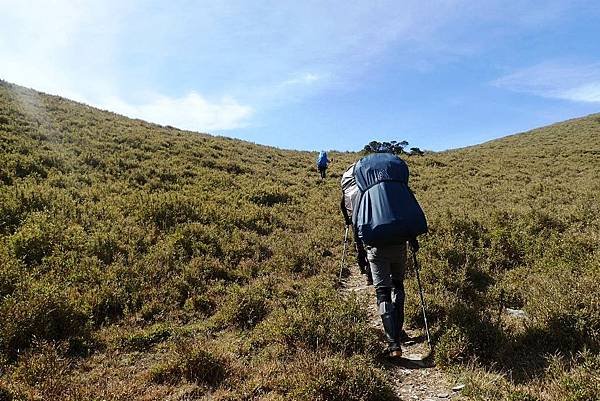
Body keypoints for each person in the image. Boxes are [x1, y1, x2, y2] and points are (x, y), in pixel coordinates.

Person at [347, 153, 427, 358]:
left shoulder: (363, 190)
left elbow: (356, 221)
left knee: (382, 292)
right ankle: (399, 331)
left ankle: (393, 344)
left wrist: (360, 249)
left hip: (376, 247)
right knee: (398, 285)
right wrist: (413, 239)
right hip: (400, 244)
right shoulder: (397, 189)